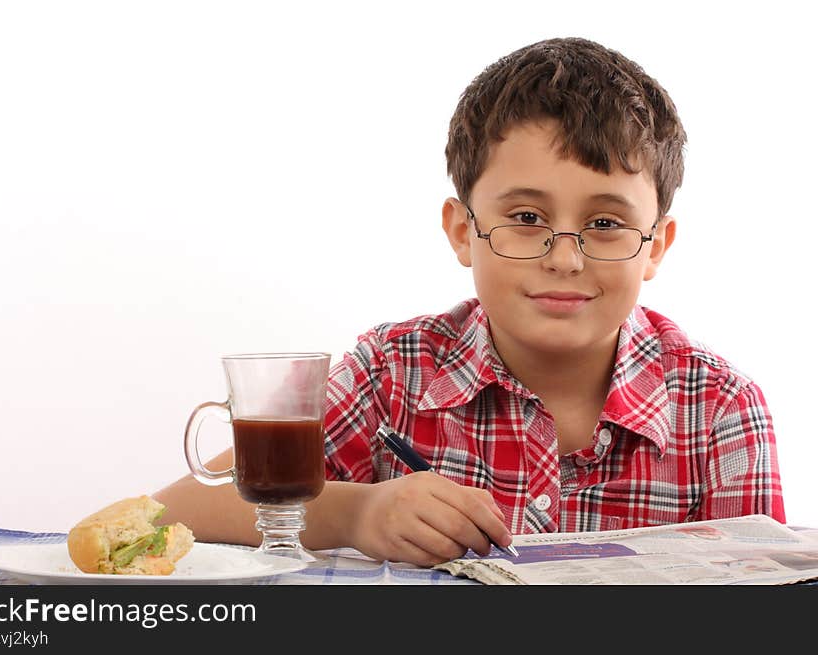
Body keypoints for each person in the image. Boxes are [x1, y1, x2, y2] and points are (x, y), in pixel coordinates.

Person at [154, 37, 785, 567]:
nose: (564, 258)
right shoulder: (391, 375)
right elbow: (169, 516)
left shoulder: (720, 409)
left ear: (656, 246)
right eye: (528, 216)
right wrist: (356, 512)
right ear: (463, 230)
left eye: (605, 224)